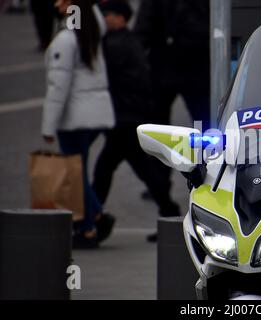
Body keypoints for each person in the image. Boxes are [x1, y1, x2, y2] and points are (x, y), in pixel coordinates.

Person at [92, 0, 181, 237]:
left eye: (108, 14)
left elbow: (116, 83)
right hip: (129, 118)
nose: (105, 19)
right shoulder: (126, 42)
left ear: (121, 17)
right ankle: (170, 214)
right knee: (142, 171)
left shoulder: (117, 45)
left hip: (124, 119)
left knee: (106, 170)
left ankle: (93, 220)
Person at [41, 0, 115, 249]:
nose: (58, 4)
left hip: (74, 118)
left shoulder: (66, 40)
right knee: (78, 169)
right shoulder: (90, 32)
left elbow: (57, 87)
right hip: (93, 115)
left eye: (64, 0)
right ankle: (95, 218)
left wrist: (48, 126)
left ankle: (90, 225)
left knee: (74, 172)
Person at [133, 0, 210, 216]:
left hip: (168, 65)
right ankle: (204, 174)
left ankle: (161, 183)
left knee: (160, 129)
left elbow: (143, 29)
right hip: (191, 65)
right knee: (201, 124)